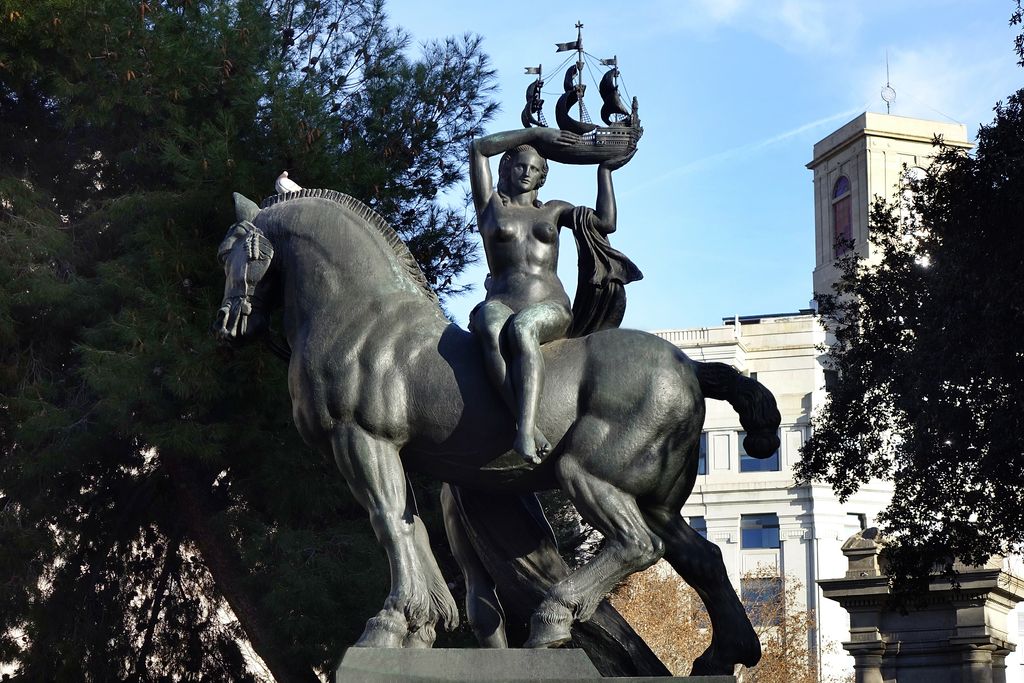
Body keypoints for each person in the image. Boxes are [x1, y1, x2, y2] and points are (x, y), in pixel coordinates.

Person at [469, 127, 637, 464]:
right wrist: (537, 134)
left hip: (549, 305)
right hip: (500, 301)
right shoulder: (490, 206)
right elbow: (478, 148)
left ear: (542, 177)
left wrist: (604, 171)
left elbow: (606, 222)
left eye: (534, 169)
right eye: (520, 166)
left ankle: (524, 429)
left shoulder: (555, 211)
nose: (526, 173)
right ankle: (526, 423)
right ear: (506, 169)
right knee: (489, 326)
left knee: (522, 329)